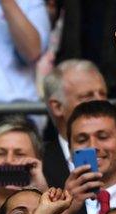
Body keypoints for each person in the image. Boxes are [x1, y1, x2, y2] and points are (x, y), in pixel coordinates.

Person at [42, 59, 108, 188]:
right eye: (87, 96)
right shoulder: (40, 167)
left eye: (103, 94)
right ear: (57, 107)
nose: (100, 103)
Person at [0, 117, 48, 209]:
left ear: (36, 162)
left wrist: (44, 195)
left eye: (19, 154)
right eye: (1, 153)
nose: (9, 161)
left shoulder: (50, 195)